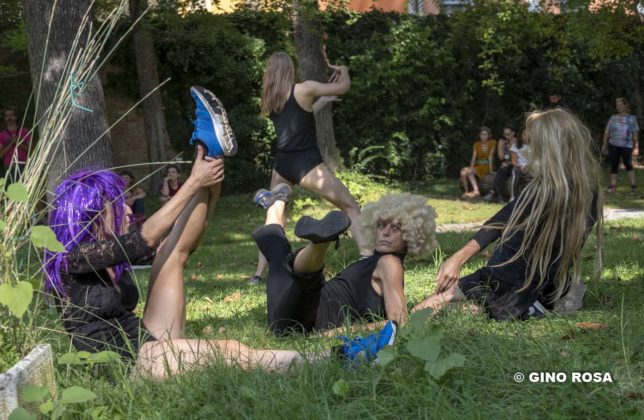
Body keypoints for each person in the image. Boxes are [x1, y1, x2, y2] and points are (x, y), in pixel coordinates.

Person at [43, 89, 394, 379]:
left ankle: (208, 150)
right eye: (115, 211)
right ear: (90, 217)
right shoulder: (72, 258)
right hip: (126, 365)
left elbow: (181, 243)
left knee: (172, 254)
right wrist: (192, 182)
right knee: (231, 352)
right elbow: (142, 240)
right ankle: (342, 358)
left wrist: (207, 182)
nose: (125, 214)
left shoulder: (100, 255)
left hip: (144, 340)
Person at [412, 109, 602, 320]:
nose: (529, 153)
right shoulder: (555, 189)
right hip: (512, 282)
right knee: (432, 305)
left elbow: (532, 264)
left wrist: (468, 289)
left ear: (551, 150)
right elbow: (501, 220)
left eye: (534, 146)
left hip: (521, 290)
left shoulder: (564, 195)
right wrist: (458, 258)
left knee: (436, 312)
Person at [249, 52, 368, 285]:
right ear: (289, 70)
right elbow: (343, 87)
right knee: (350, 206)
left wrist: (322, 101)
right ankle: (367, 257)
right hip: (307, 164)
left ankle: (258, 275)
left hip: (282, 165)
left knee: (274, 219)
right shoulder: (304, 88)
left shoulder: (272, 100)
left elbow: (300, 117)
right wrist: (343, 69)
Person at [252, 190, 437, 335]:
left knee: (280, 261)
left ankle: (281, 209)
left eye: (395, 228)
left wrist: (341, 332)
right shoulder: (384, 262)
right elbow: (400, 321)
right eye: (382, 225)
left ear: (412, 236)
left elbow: (399, 322)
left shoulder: (390, 263)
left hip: (307, 311)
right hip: (307, 315)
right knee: (287, 268)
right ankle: (316, 240)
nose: (385, 232)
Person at [602, 97, 640, 193]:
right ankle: (612, 186)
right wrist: (604, 145)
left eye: (620, 105)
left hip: (627, 145)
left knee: (628, 164)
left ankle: (633, 185)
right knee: (614, 164)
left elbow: (635, 133)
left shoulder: (632, 118)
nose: (618, 107)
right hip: (613, 144)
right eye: (617, 105)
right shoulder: (613, 118)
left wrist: (636, 147)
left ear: (625, 106)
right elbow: (607, 132)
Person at [459, 127, 497, 199]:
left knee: (469, 172)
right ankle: (466, 191)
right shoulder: (476, 144)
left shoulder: (492, 143)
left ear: (488, 135)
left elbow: (490, 156)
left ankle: (476, 191)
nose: (483, 136)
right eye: (482, 134)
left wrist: (491, 169)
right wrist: (471, 167)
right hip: (478, 165)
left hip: (487, 165)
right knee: (463, 171)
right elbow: (473, 158)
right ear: (479, 135)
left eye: (485, 134)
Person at [0, 108, 31, 182]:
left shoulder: (24, 131)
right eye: (7, 116)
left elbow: (31, 150)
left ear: (16, 117)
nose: (9, 117)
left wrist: (18, 142)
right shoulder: (1, 135)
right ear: (4, 118)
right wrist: (11, 143)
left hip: (24, 163)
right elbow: (0, 154)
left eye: (12, 115)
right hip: (9, 165)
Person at [487, 125, 516, 202]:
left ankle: (494, 193)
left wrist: (509, 163)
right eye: (505, 134)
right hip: (506, 165)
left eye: (508, 134)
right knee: (502, 170)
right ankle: (498, 195)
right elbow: (501, 157)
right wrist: (501, 146)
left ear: (513, 133)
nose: (506, 136)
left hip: (516, 164)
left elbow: (518, 158)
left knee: (503, 170)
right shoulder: (503, 142)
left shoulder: (517, 142)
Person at [510, 128, 530, 200]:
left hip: (531, 167)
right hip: (518, 166)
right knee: (516, 175)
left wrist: (528, 166)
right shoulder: (515, 146)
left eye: (528, 134)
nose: (527, 136)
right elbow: (514, 161)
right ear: (521, 136)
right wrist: (521, 166)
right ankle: (514, 196)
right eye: (524, 134)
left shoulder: (535, 146)